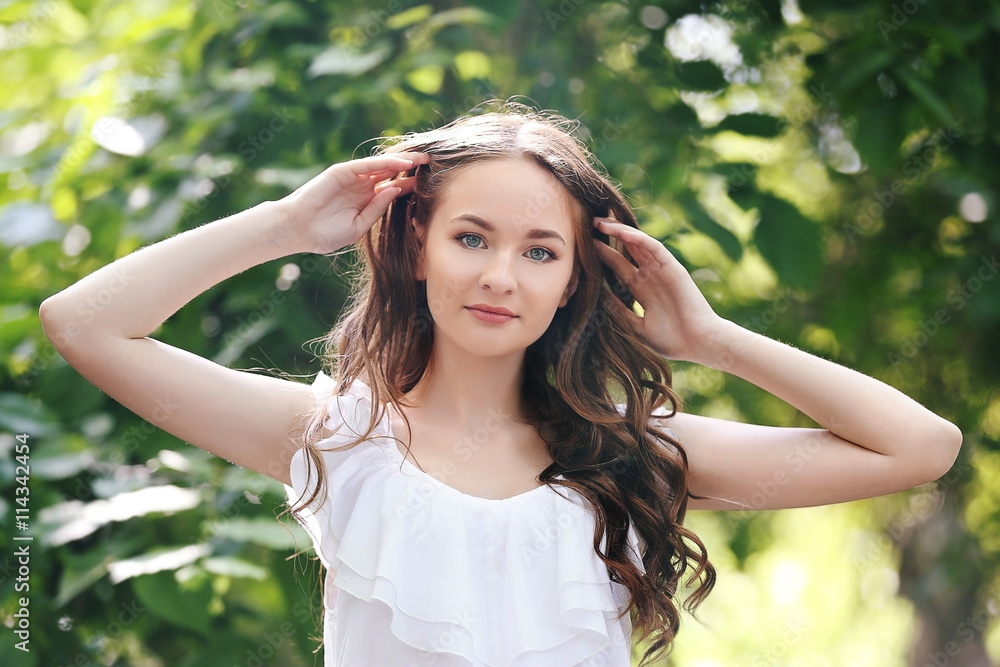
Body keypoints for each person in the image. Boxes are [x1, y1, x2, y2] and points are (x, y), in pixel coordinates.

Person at [39, 100, 963, 667]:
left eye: (539, 250)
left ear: (572, 281)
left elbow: (921, 447)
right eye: (471, 236)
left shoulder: (629, 456)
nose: (500, 277)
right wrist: (287, 223)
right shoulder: (333, 436)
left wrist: (710, 339)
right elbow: (83, 324)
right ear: (417, 245)